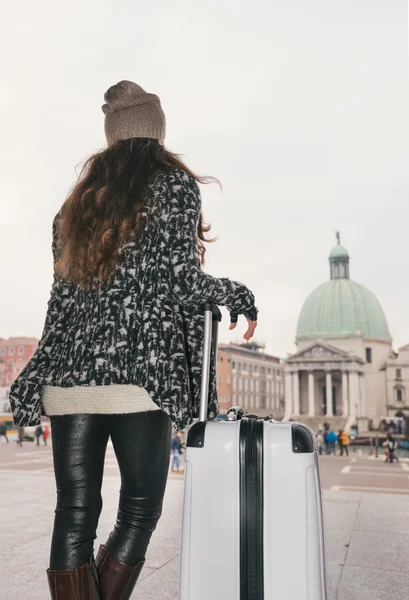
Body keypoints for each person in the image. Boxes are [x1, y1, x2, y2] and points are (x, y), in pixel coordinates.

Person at [8, 80, 258, 599]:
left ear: (112, 135)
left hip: (70, 378)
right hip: (139, 378)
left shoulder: (73, 206)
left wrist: (43, 370)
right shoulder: (173, 186)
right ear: (157, 132)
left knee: (74, 510)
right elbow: (182, 283)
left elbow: (61, 302)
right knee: (141, 508)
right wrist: (239, 292)